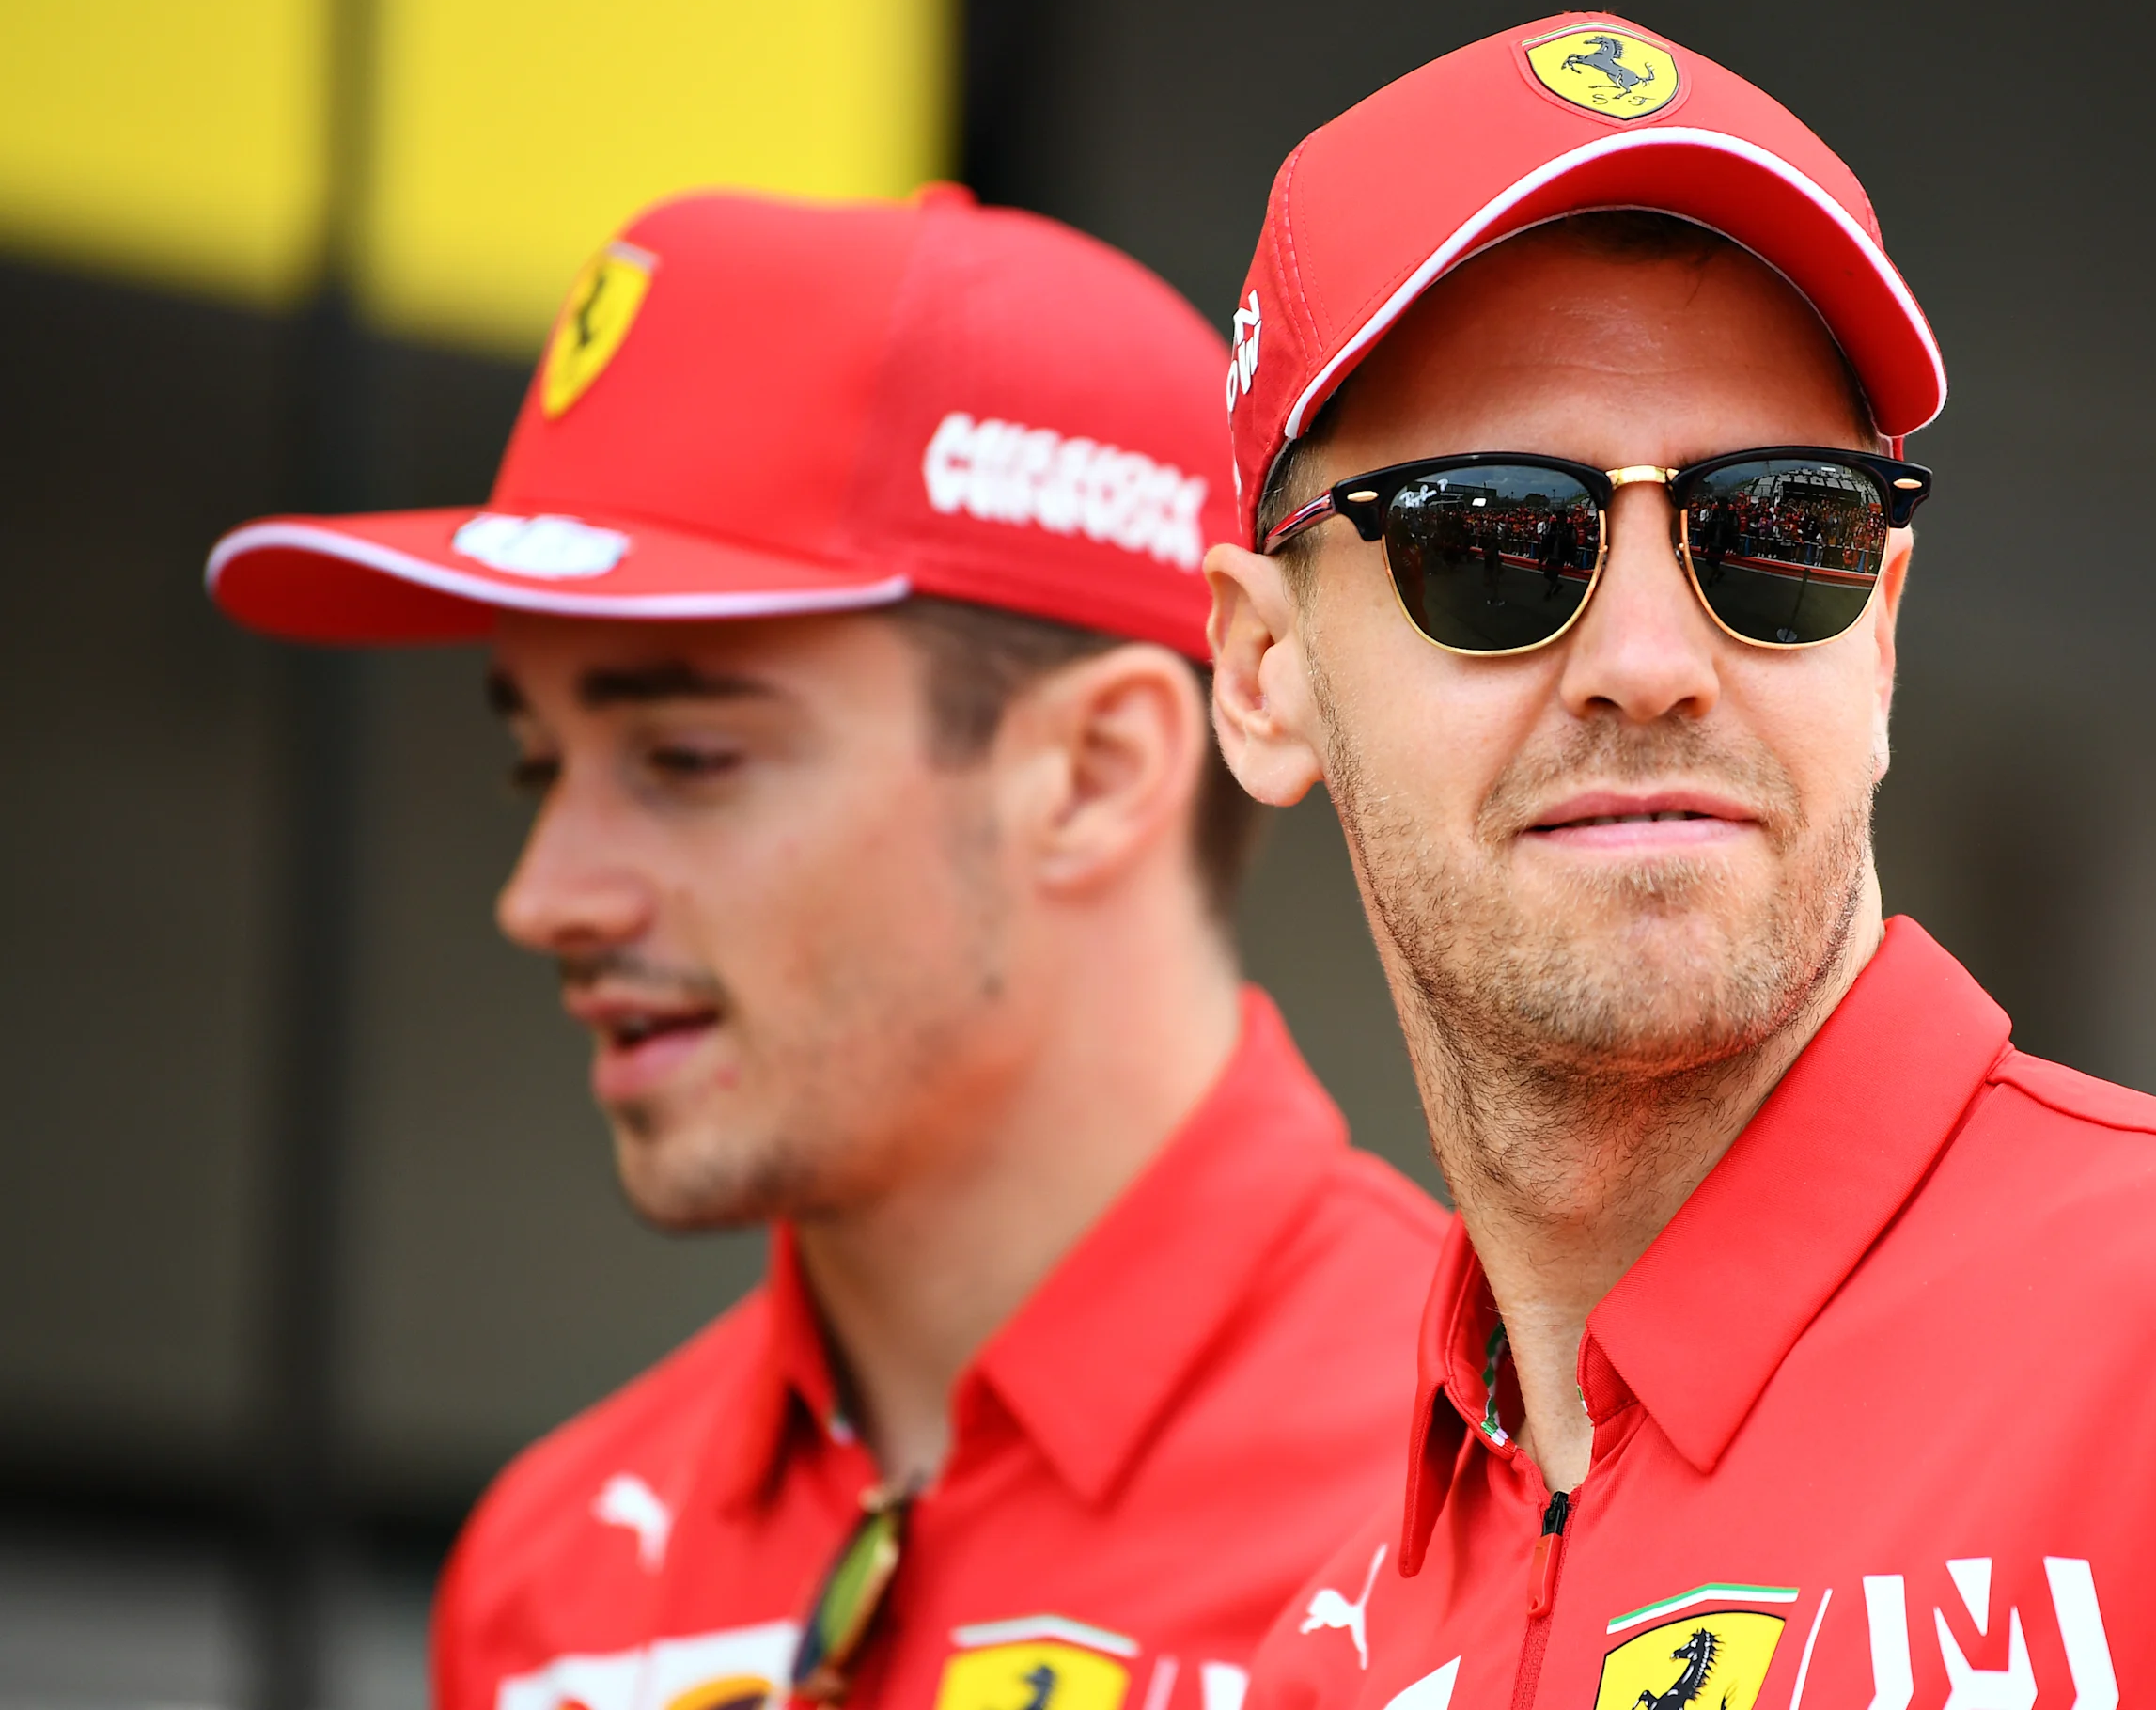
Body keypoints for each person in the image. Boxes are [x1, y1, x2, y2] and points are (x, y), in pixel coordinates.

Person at [1205, 17, 2156, 1710]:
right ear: (1262, 673)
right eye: (1496, 540)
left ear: (1880, 631)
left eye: (1779, 529)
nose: (1652, 660)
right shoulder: (1324, 1657)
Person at [205, 186, 1445, 1710]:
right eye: (540, 767)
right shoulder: (549, 1586)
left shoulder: (1494, 1499)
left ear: (1094, 773)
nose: (546, 897)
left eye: (687, 761)